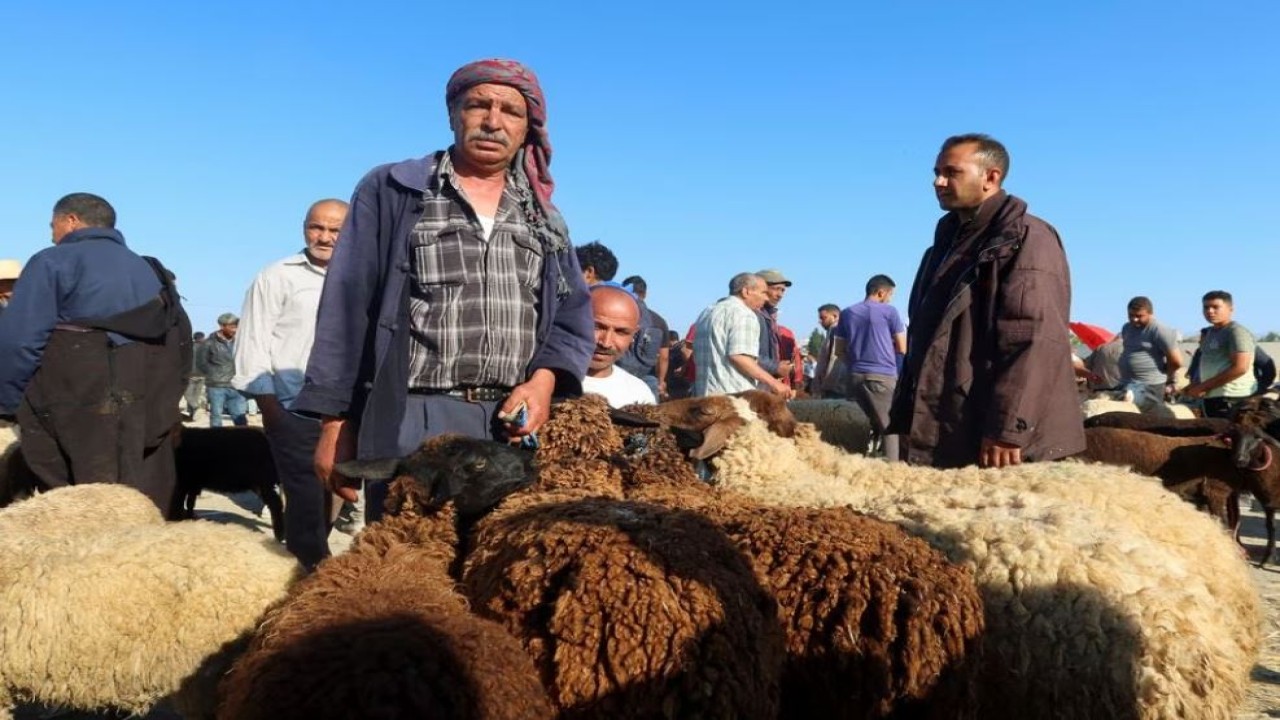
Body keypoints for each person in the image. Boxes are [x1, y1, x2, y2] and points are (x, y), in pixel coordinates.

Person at [293, 59, 594, 523]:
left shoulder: (541, 214)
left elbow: (571, 315)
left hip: (510, 423)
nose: (493, 121)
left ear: (528, 127)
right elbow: (347, 308)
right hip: (416, 415)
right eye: (478, 105)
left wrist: (544, 382)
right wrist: (336, 424)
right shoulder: (396, 189)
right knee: (407, 560)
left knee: (499, 568)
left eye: (511, 111)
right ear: (453, 114)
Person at [889, 134, 1084, 468]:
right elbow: (925, 338)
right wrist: (907, 416)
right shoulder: (942, 249)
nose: (938, 182)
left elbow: (1033, 336)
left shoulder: (1026, 238)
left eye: (952, 172)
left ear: (990, 177)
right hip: (954, 425)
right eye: (936, 172)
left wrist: (1009, 427)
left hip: (1002, 442)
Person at [0, 193, 187, 511]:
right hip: (144, 411)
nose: (51, 234)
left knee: (77, 509)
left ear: (70, 220)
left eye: (53, 225)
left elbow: (20, 341)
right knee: (135, 503)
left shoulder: (53, 261)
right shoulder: (152, 271)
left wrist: (6, 402)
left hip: (75, 408)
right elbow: (180, 344)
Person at [233, 198, 350, 570]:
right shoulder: (277, 275)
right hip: (295, 407)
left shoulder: (363, 276)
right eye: (317, 227)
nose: (325, 237)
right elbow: (253, 340)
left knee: (339, 489)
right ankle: (308, 575)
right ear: (304, 227)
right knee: (304, 496)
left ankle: (312, 562)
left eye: (335, 230)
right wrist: (270, 408)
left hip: (348, 409)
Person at [834, 274, 907, 461]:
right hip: (882, 376)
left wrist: (855, 363)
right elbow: (902, 347)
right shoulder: (889, 312)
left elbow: (839, 350)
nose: (890, 299)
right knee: (890, 427)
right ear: (881, 292)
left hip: (855, 376)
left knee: (862, 425)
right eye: (890, 295)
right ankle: (894, 471)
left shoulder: (847, 313)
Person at [692, 273, 791, 397]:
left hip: (705, 396)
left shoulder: (707, 312)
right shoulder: (744, 314)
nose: (766, 298)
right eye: (763, 293)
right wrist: (774, 383)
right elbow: (739, 357)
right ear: (746, 292)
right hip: (732, 398)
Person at [1181, 291, 1256, 418]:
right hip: (1213, 397)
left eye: (1216, 307)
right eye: (1206, 307)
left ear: (1230, 309)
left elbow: (1240, 367)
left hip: (1232, 399)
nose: (1210, 311)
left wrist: (1202, 387)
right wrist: (1194, 385)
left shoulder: (1236, 332)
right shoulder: (1210, 333)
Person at [581, 285, 657, 408]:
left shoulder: (639, 395)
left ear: (634, 334)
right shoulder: (544, 381)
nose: (606, 342)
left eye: (621, 332)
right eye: (597, 327)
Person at [1116, 296, 1182, 412]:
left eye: (1139, 316)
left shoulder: (1160, 330)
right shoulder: (1126, 328)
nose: (1134, 319)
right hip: (1127, 383)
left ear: (1150, 314)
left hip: (1151, 385)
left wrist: (1167, 375)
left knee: (1150, 420)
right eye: (1131, 315)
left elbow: (1176, 361)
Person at [618, 275, 671, 400]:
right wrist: (661, 381)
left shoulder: (619, 313)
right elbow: (664, 357)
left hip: (617, 373)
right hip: (646, 378)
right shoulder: (659, 321)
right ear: (645, 294)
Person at [198, 313, 247, 427]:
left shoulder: (241, 342)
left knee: (239, 416)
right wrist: (215, 373)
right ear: (222, 326)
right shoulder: (208, 343)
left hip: (237, 385)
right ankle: (217, 442)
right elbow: (201, 363)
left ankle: (243, 442)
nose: (235, 329)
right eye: (232, 326)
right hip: (216, 386)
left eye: (236, 326)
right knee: (216, 416)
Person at [755, 269, 799, 388]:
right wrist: (775, 367)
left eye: (782, 290)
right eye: (776, 289)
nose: (780, 295)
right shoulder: (751, 315)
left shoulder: (768, 318)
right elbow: (745, 355)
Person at [812, 303, 846, 398]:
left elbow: (833, 359)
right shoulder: (834, 331)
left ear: (835, 316)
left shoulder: (836, 331)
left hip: (834, 387)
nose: (820, 321)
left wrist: (824, 384)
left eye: (823, 318)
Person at [184, 331, 207, 420]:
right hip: (202, 375)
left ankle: (196, 408)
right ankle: (192, 414)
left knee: (188, 395)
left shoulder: (189, 348)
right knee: (195, 396)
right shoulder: (206, 348)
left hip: (191, 374)